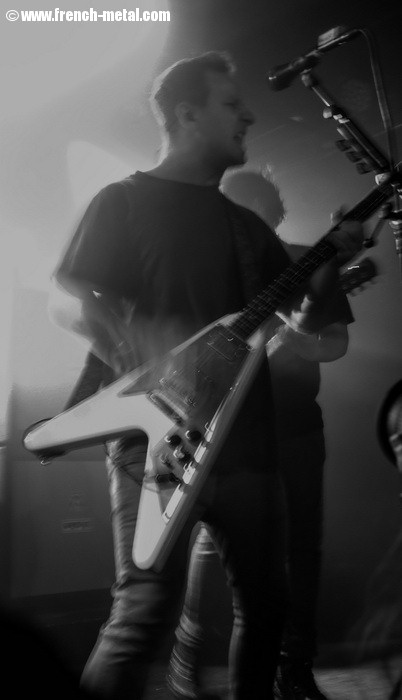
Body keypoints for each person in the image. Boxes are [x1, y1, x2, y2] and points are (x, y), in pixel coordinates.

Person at [48, 51, 364, 700]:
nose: (249, 115)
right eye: (231, 104)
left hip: (249, 447)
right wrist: (133, 350)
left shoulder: (246, 228)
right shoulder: (123, 201)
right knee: (143, 614)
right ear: (187, 115)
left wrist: (334, 258)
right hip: (154, 442)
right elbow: (70, 298)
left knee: (267, 607)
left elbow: (305, 321)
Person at [166, 169, 353, 700]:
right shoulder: (202, 267)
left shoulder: (306, 261)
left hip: (295, 429)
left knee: (302, 548)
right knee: (212, 544)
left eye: (264, 220)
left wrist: (293, 335)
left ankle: (293, 669)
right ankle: (189, 651)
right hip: (223, 431)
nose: (253, 231)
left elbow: (335, 343)